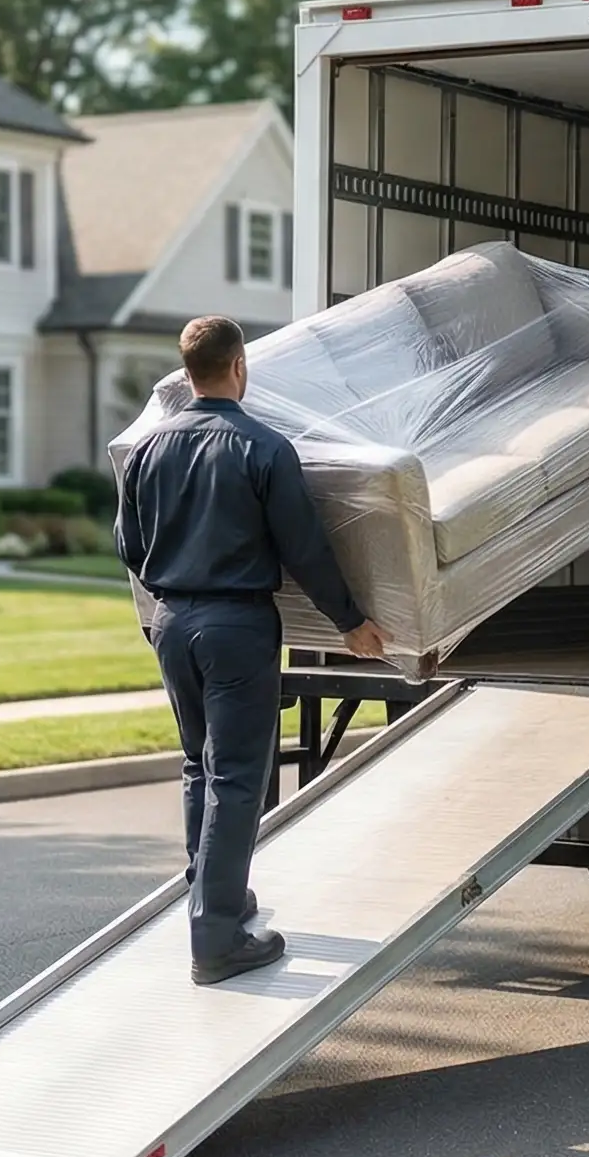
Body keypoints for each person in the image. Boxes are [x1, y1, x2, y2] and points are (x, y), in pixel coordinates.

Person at [117, 315, 388, 984]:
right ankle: (216, 940)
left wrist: (168, 602)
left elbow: (127, 543)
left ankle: (216, 898)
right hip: (235, 626)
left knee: (199, 769)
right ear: (240, 367)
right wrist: (350, 621)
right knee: (237, 777)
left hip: (172, 621)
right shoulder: (263, 448)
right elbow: (305, 549)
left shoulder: (147, 449)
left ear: (188, 373)